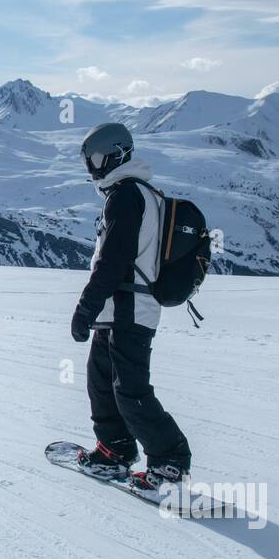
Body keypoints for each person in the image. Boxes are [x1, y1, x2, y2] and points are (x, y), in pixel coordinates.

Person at [70, 122, 192, 493]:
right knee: (101, 384)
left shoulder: (126, 195)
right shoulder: (132, 193)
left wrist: (84, 308)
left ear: (114, 154)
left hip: (130, 309)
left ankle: (171, 461)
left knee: (130, 390)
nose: (91, 168)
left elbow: (113, 260)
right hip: (117, 309)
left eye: (94, 159)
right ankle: (115, 448)